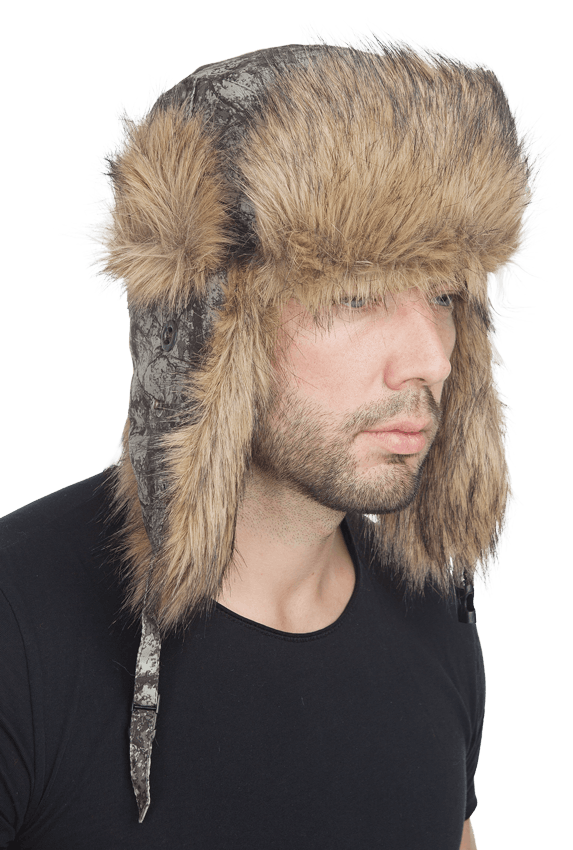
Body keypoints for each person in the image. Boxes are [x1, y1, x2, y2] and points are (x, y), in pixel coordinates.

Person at [0, 20, 556, 850]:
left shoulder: (431, 612)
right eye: (354, 296)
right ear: (207, 323)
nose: (431, 359)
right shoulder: (19, 624)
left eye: (443, 295)